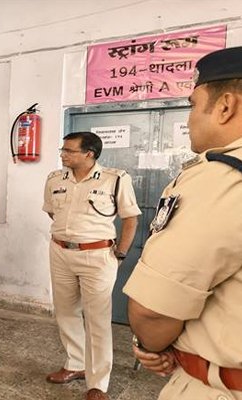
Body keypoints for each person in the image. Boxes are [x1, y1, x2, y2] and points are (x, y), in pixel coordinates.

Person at [125, 46, 242, 400]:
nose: (189, 119)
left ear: (225, 106)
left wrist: (151, 345)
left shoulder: (222, 180)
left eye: (192, 105)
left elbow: (152, 312)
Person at [42, 131, 141, 400]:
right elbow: (53, 211)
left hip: (97, 256)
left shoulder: (115, 179)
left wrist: (120, 253)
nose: (63, 154)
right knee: (65, 311)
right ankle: (75, 364)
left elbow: (130, 218)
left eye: (69, 150)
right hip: (60, 252)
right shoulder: (55, 179)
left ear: (89, 154)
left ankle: (98, 382)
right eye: (62, 149)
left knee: (97, 319)